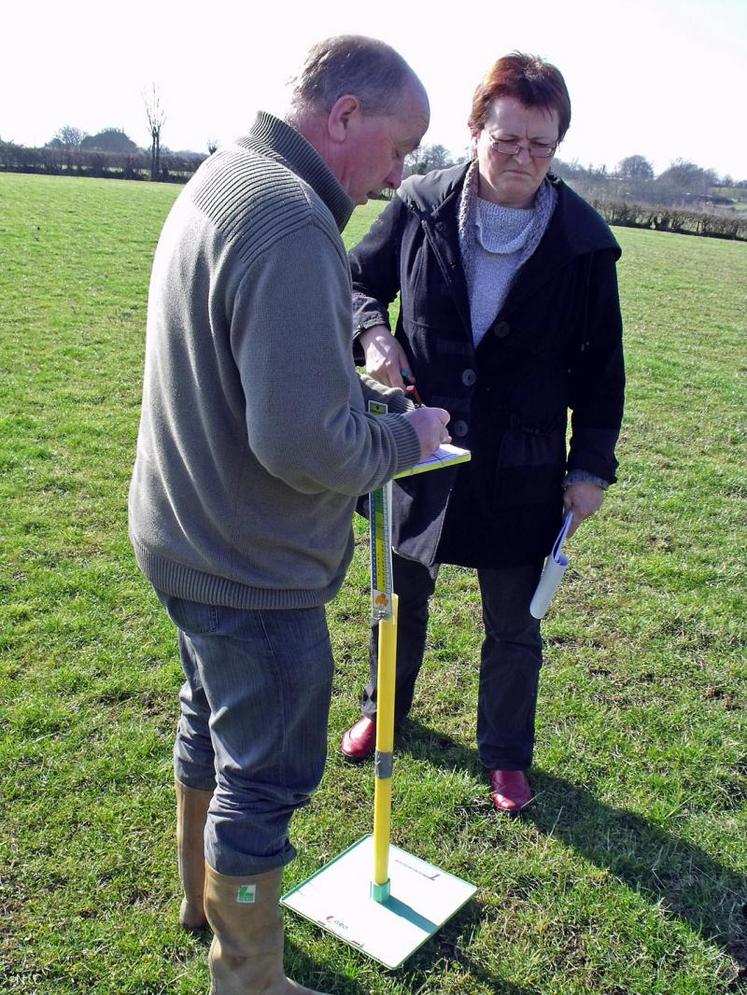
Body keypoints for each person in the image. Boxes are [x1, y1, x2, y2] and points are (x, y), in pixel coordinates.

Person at [128, 36, 450, 994]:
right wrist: (406, 438)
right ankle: (248, 979)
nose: (397, 177)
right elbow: (304, 445)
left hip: (182, 532)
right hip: (250, 563)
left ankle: (200, 903)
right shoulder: (291, 221)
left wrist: (361, 402)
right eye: (399, 148)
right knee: (264, 776)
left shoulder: (228, 174)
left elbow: (259, 370)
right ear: (344, 115)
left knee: (209, 719)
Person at [340, 52, 625, 815]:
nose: (522, 158)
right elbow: (356, 280)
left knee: (514, 623)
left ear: (557, 145)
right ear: (474, 132)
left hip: (521, 467)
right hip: (420, 446)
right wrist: (372, 333)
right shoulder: (420, 205)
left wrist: (589, 469)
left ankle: (504, 754)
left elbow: (602, 370)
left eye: (540, 145)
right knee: (397, 596)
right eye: (506, 140)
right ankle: (382, 708)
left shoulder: (583, 244)